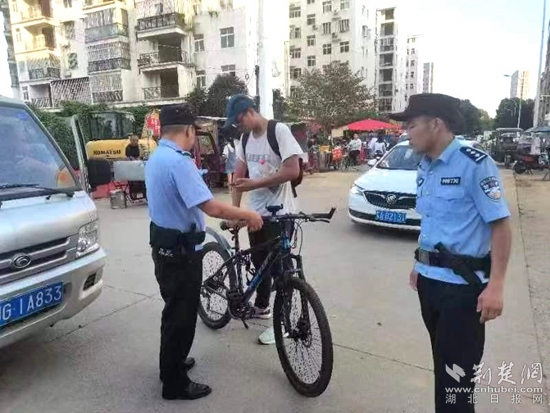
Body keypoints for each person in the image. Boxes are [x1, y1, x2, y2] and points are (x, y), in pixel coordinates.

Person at [389, 94, 512, 413]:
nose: (406, 132)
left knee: (456, 384)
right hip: (428, 284)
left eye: (411, 125)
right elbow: (433, 220)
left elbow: (500, 225)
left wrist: (496, 286)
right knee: (443, 370)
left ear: (435, 124)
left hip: (462, 290)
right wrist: (421, 261)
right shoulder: (425, 166)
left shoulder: (474, 163)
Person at [145, 103, 263, 401]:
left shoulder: (157, 157)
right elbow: (211, 207)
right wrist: (248, 214)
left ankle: (169, 364)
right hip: (182, 253)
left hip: (164, 248)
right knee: (182, 318)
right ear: (189, 131)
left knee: (173, 311)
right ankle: (174, 384)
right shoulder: (179, 162)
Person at [225, 94, 303, 345]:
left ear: (250, 112)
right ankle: (262, 307)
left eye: (239, 121)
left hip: (281, 214)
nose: (238, 127)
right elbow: (238, 177)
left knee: (282, 271)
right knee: (260, 264)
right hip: (255, 214)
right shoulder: (244, 139)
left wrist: (255, 183)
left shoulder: (278, 131)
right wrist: (236, 212)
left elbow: (293, 170)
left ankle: (284, 323)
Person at [125, 134, 146, 200]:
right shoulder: (128, 148)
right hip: (132, 166)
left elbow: (143, 155)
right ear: (131, 140)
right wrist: (136, 159)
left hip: (140, 166)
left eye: (137, 140)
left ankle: (145, 194)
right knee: (134, 182)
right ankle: (134, 194)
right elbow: (129, 157)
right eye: (134, 140)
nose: (136, 142)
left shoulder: (139, 147)